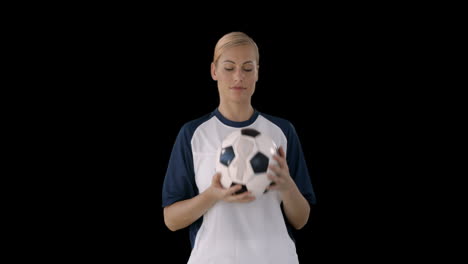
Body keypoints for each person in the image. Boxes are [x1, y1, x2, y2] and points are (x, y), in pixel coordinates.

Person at [162, 31, 316, 264]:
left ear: (257, 72)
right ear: (214, 71)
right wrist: (213, 194)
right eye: (229, 67)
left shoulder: (281, 132)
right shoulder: (193, 134)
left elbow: (301, 219)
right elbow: (171, 220)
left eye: (247, 68)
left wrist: (287, 185)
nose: (238, 77)